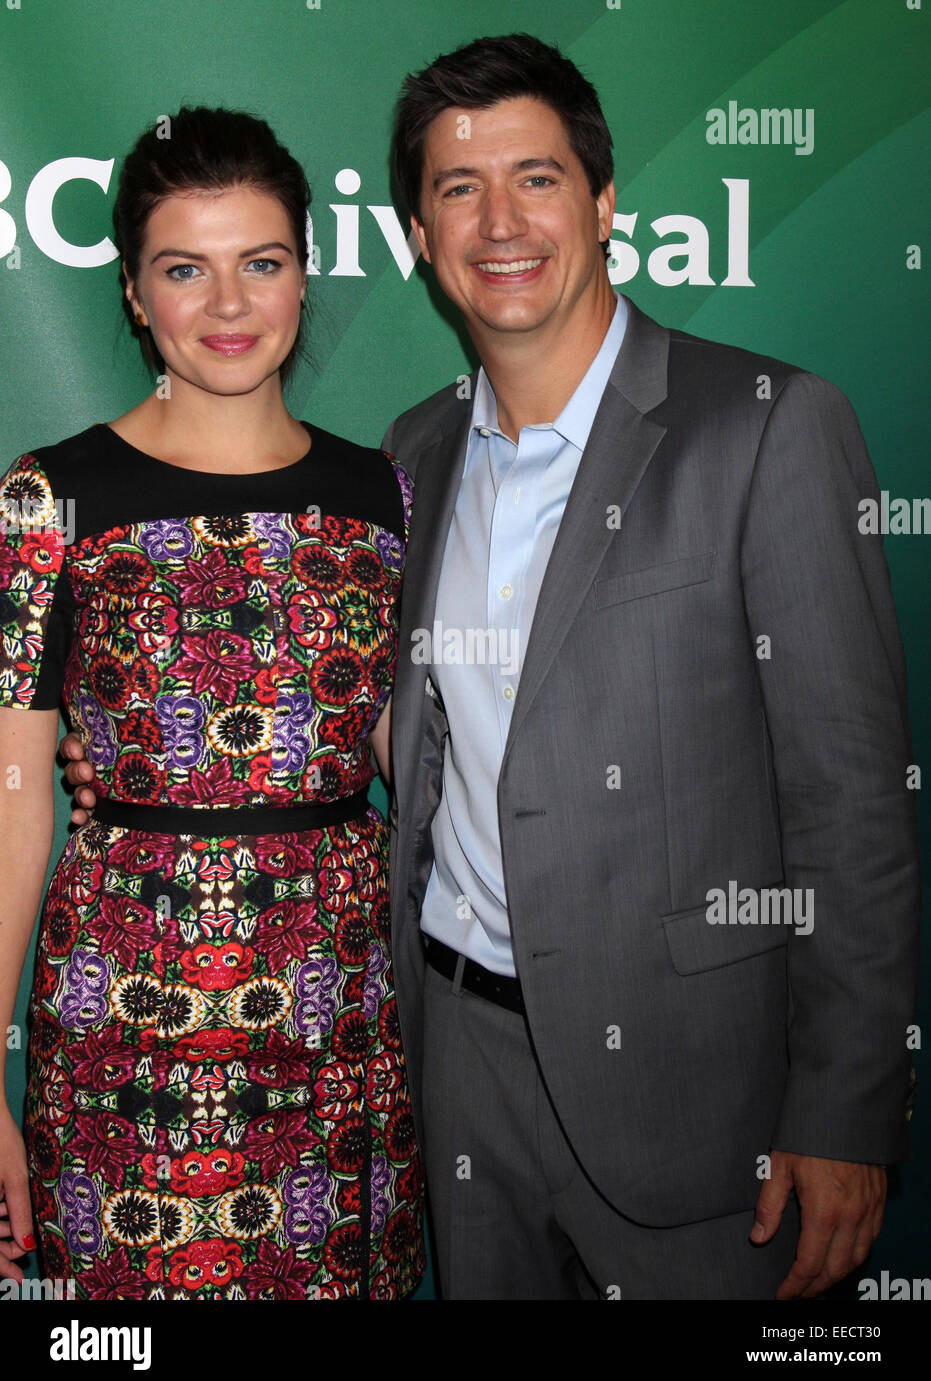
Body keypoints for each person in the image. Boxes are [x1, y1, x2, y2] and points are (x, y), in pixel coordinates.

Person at [63, 35, 921, 1301]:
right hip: (448, 1062)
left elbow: (853, 799)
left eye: (537, 177)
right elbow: (366, 716)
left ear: (605, 200)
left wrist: (844, 1108)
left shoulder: (766, 425)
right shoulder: (411, 460)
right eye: (460, 189)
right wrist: (126, 756)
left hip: (696, 1099)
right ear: (419, 231)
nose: (500, 220)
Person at [0, 106, 425, 1300]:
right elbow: (14, 796)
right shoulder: (47, 499)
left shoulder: (379, 492)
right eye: (185, 268)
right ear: (135, 292)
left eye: (262, 262)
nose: (228, 306)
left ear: (303, 272)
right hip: (120, 1017)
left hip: (345, 1013)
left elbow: (418, 755)